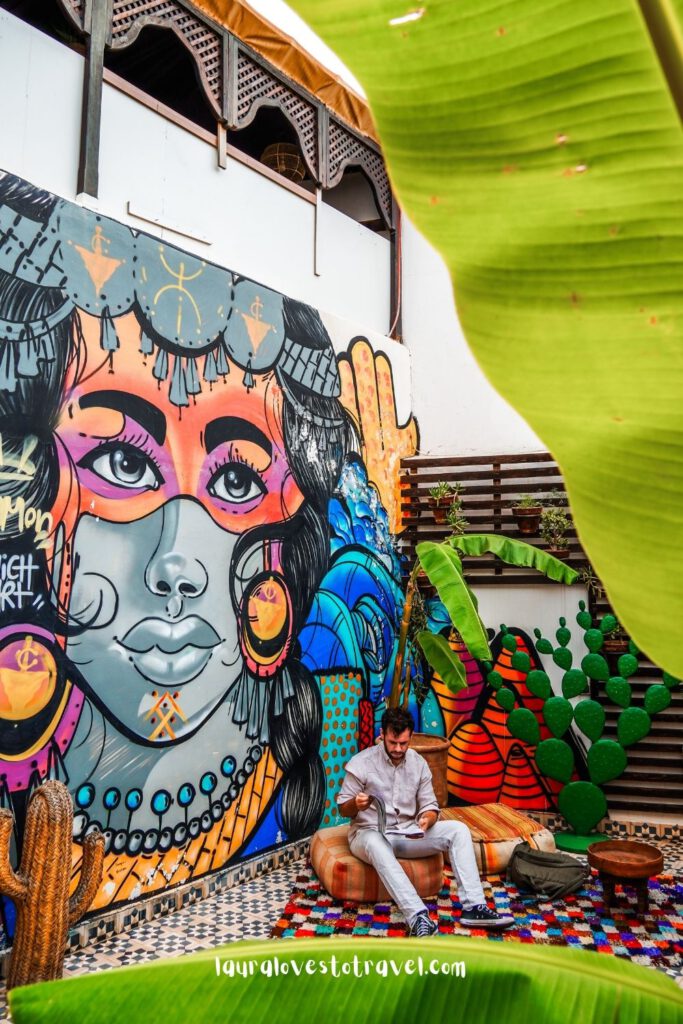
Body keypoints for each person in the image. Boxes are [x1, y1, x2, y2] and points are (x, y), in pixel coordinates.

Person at [337, 706, 515, 936]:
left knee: (458, 830)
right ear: (382, 734)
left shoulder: (418, 763)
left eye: (403, 743)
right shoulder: (361, 762)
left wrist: (426, 820)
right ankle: (419, 917)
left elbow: (431, 806)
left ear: (411, 736)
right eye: (393, 742)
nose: (398, 748)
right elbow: (343, 809)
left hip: (406, 833)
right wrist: (355, 804)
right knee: (375, 843)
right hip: (368, 833)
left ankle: (474, 907)